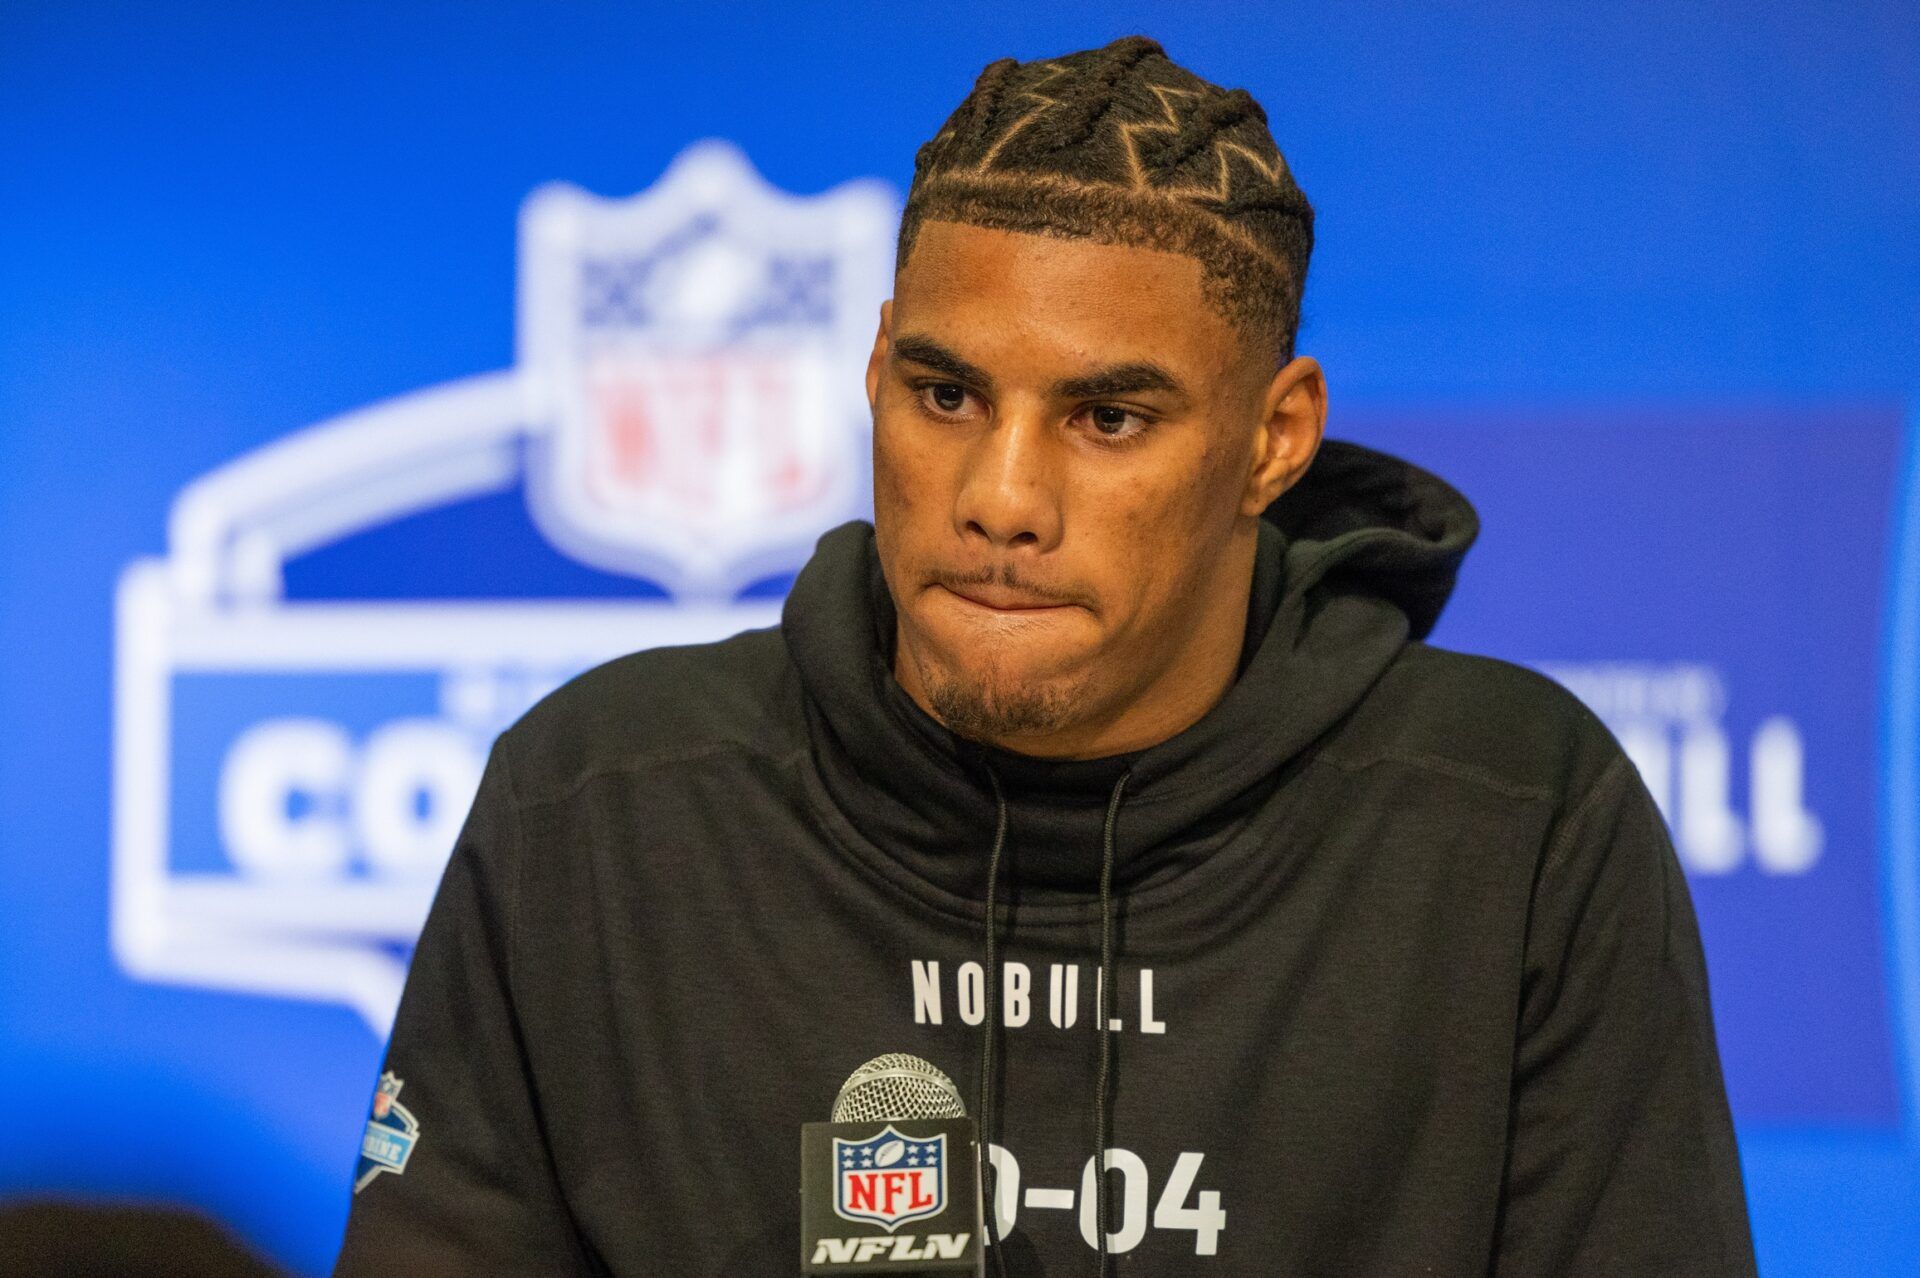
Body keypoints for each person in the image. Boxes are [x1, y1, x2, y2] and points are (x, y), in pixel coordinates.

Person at [334, 34, 1756, 1276]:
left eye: (1108, 417)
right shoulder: (601, 805)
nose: (999, 498)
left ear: (1276, 438)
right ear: (878, 367)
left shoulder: (1512, 822)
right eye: (947, 392)